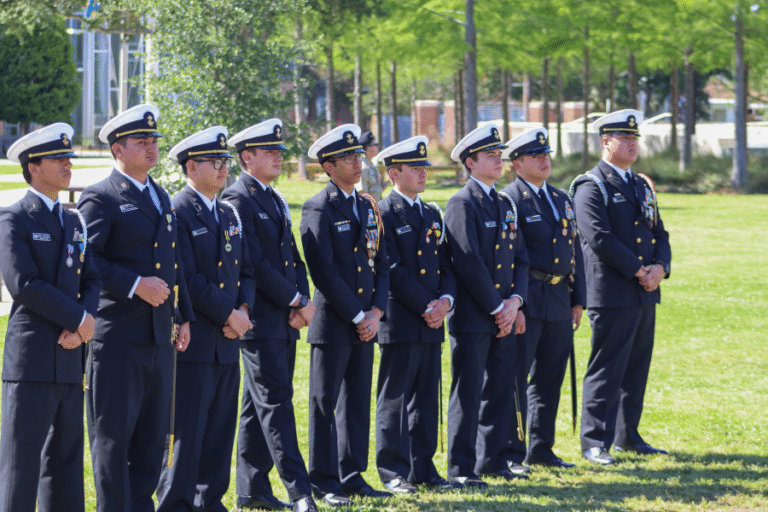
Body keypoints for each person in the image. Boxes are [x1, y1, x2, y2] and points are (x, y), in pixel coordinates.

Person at [77, 104, 196, 512]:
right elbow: (86, 260)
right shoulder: (101, 196)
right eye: (141, 143)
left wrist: (182, 318)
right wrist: (134, 284)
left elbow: (174, 264)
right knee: (113, 438)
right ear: (117, 150)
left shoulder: (161, 195)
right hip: (119, 336)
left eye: (154, 142)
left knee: (151, 438)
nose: (151, 149)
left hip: (159, 335)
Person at [0, 124, 101, 512]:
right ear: (33, 166)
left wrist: (84, 323)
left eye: (68, 158)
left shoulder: (74, 222)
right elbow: (24, 284)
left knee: (66, 460)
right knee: (21, 463)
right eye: (58, 159)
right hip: (33, 355)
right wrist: (79, 319)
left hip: (70, 356)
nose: (67, 165)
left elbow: (91, 278)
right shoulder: (14, 219)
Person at [156, 127, 257, 512]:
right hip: (195, 340)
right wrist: (228, 312)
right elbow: (189, 277)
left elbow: (246, 271)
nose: (223, 168)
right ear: (191, 166)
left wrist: (244, 312)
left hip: (228, 340)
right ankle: (176, 503)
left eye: (226, 161)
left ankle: (210, 501)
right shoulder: (178, 210)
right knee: (186, 431)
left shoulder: (228, 211)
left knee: (219, 431)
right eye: (216, 162)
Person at [221, 119, 318, 512]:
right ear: (247, 157)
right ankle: (300, 491)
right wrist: (295, 298)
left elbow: (292, 256)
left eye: (280, 150)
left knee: (256, 405)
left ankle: (252, 489)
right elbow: (254, 262)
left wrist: (303, 298)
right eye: (270, 151)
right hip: (258, 318)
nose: (279, 156)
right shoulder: (237, 198)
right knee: (275, 401)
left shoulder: (275, 198)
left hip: (284, 317)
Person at [570, 109, 671, 465]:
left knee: (635, 367)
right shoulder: (590, 185)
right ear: (605, 142)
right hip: (612, 292)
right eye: (624, 138)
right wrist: (640, 270)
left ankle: (628, 435)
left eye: (634, 139)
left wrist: (662, 267)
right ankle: (595, 441)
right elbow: (598, 238)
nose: (631, 144)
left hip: (644, 291)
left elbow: (659, 232)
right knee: (607, 368)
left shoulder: (641, 185)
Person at [300, 124, 391, 506]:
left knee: (356, 401)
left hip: (366, 322)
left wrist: (377, 310)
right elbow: (323, 270)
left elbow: (382, 263)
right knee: (325, 403)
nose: (358, 162)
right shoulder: (318, 206)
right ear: (328, 166)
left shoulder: (367, 205)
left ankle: (352, 473)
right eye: (349, 158)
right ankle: (323, 479)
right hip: (336, 322)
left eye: (359, 156)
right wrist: (358, 315)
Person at [373, 136, 462, 493]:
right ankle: (393, 471)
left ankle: (423, 467)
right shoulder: (383, 211)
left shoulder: (431, 213)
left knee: (427, 398)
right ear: (394, 173)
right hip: (402, 318)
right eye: (415, 168)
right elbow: (392, 268)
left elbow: (447, 265)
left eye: (425, 167)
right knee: (394, 398)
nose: (423, 173)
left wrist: (446, 302)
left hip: (432, 319)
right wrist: (429, 305)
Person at [445, 124, 529, 487]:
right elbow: (468, 262)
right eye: (491, 155)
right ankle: (461, 467)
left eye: (500, 154)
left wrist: (515, 302)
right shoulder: (462, 203)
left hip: (504, 313)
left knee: (499, 387)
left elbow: (521, 258)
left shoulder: (504, 202)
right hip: (474, 315)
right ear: (470, 162)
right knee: (468, 392)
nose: (499, 159)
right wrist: (498, 308)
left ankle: (492, 460)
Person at [501, 127, 586, 469]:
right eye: (536, 156)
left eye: (546, 154)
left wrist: (578, 299)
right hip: (529, 296)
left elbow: (574, 249)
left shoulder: (561, 198)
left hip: (559, 298)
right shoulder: (511, 200)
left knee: (551, 376)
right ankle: (512, 451)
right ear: (517, 165)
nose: (544, 160)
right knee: (517, 377)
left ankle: (541, 448)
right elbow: (507, 257)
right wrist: (514, 302)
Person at [355, 130, 384, 201]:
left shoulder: (372, 166)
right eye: (375, 145)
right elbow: (362, 194)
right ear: (368, 148)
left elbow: (376, 189)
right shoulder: (363, 168)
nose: (377, 147)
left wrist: (388, 182)